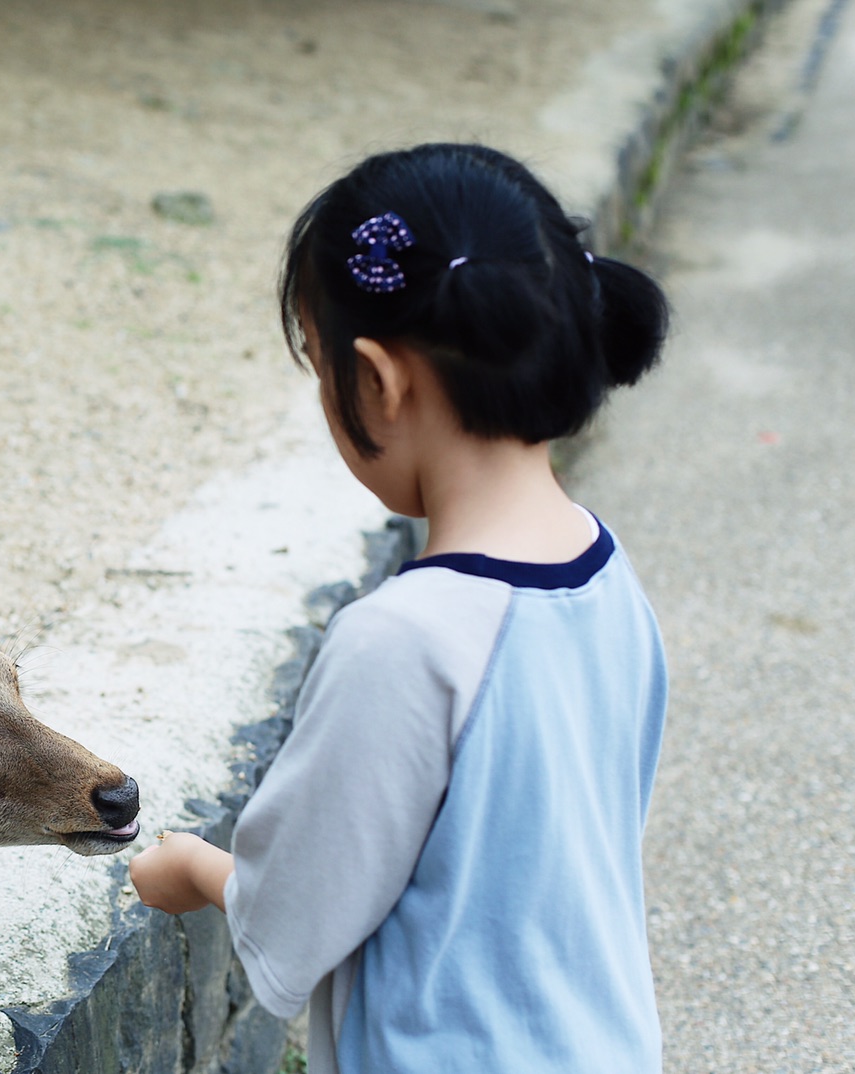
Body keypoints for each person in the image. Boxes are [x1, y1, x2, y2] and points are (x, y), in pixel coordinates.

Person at [129, 142, 672, 1073]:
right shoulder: (606, 571)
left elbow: (297, 905)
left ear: (378, 382)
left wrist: (187, 870)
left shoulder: (405, 640)